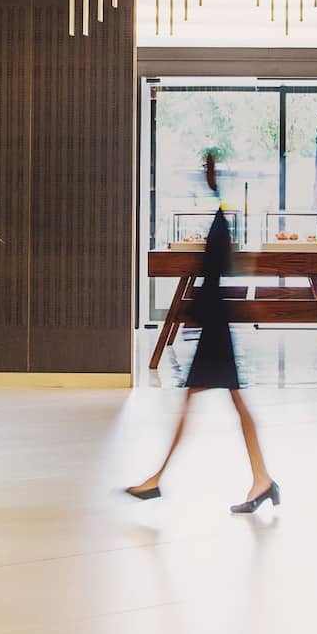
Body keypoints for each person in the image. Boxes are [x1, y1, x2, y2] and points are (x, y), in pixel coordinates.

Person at [127, 152, 279, 513]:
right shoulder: (222, 215)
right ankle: (261, 480)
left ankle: (159, 479)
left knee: (210, 399)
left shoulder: (225, 215)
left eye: (209, 170)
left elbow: (222, 263)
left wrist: (217, 189)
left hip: (215, 323)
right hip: (215, 320)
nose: (205, 174)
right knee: (224, 399)